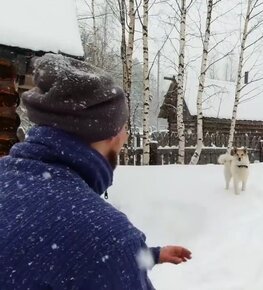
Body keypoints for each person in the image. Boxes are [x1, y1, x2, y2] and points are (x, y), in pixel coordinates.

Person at [0, 53, 191, 289]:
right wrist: (123, 253)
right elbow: (90, 255)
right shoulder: (108, 238)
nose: (126, 136)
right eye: (122, 126)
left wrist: (150, 255)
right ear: (109, 134)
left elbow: (43, 255)